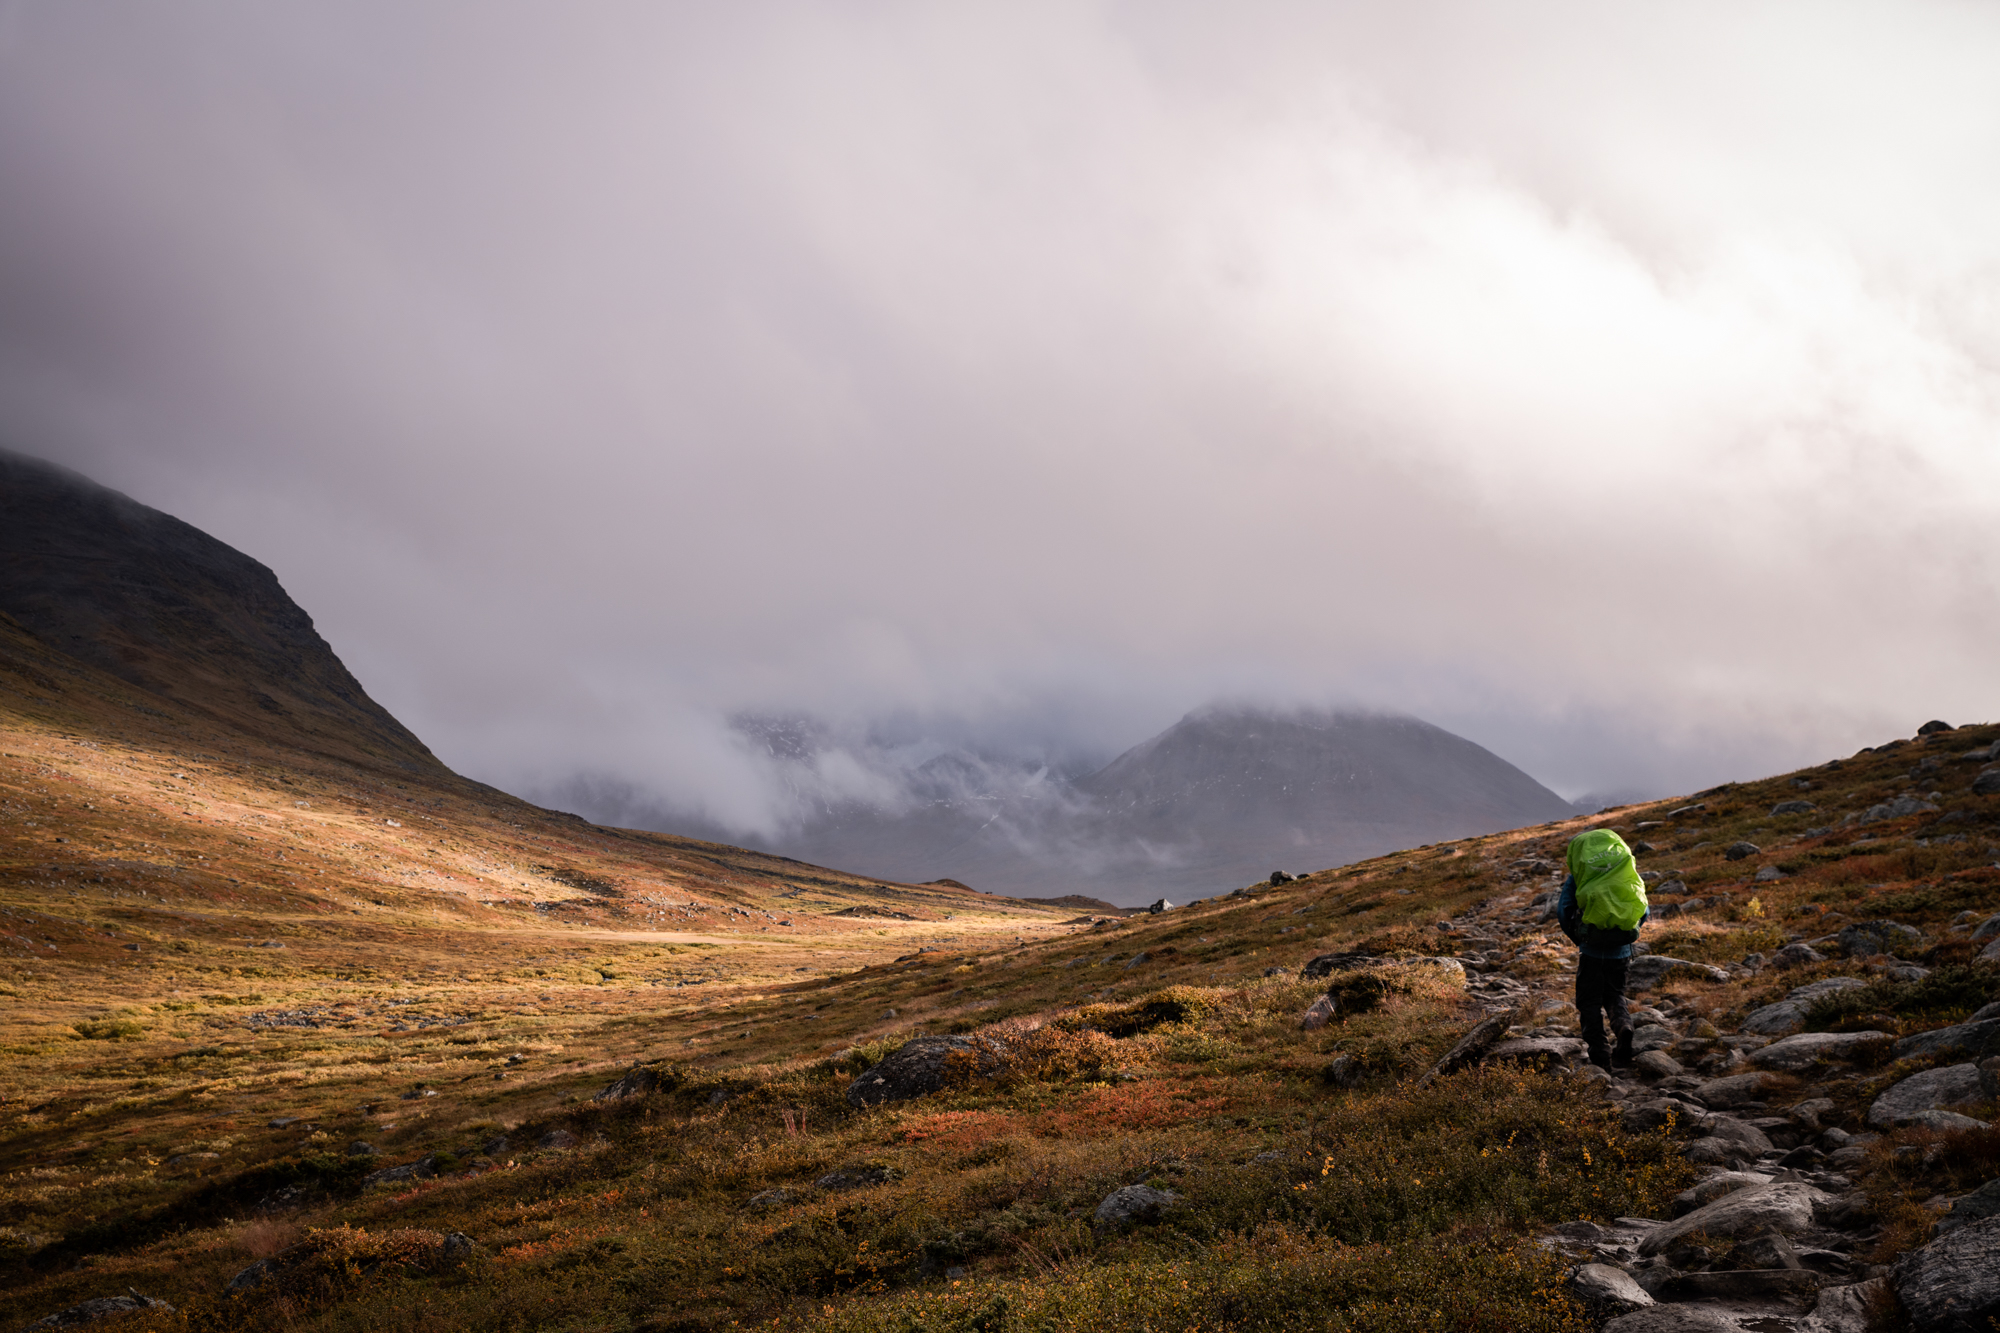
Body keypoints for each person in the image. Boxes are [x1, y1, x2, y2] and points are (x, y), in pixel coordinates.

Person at [1556, 828, 1649, 1072]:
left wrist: (1580, 939)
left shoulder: (1580, 876)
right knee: (1615, 995)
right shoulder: (1625, 871)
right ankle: (1623, 1028)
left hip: (1591, 952)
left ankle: (1601, 1058)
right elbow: (1643, 910)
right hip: (1621, 951)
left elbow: (1563, 911)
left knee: (1588, 1003)